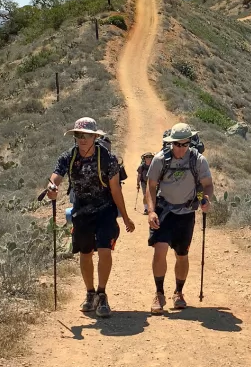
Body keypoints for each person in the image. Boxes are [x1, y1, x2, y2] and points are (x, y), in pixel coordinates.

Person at [45, 117, 135, 317]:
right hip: (82, 210)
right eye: (78, 135)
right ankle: (90, 293)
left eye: (86, 135)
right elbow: (56, 176)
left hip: (105, 210)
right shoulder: (68, 157)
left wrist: (126, 218)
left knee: (104, 250)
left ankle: (102, 294)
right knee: (85, 253)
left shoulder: (108, 159)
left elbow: (115, 190)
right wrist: (52, 186)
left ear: (95, 137)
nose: (82, 139)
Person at [146, 123, 214, 314]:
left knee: (182, 255)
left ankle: (178, 292)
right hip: (164, 211)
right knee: (159, 250)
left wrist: (206, 199)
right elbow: (150, 187)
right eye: (177, 144)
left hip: (186, 213)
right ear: (171, 143)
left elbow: (207, 185)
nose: (181, 148)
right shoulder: (160, 159)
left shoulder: (198, 161)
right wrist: (151, 211)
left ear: (190, 143)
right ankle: (159, 294)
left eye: (185, 144)